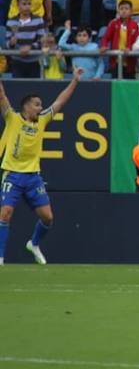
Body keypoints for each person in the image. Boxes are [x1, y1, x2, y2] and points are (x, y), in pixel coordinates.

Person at [0, 71, 83, 265]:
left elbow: (60, 102)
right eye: (37, 104)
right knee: (5, 214)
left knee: (48, 218)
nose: (41, 108)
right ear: (26, 107)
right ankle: (1, 258)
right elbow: (2, 96)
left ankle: (34, 243)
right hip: (12, 175)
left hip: (33, 177)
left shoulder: (43, 120)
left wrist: (75, 81)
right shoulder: (12, 118)